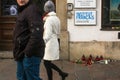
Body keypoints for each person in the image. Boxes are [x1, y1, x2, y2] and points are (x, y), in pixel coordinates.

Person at [13, 0, 45, 80]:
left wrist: (27, 53)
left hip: (30, 55)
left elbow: (36, 35)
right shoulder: (23, 10)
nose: (21, 0)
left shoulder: (32, 10)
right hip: (21, 54)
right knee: (21, 78)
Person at [43, 0, 68, 80]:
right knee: (47, 63)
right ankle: (62, 73)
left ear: (46, 9)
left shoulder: (49, 20)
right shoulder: (56, 18)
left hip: (49, 43)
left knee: (46, 63)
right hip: (55, 41)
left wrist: (43, 43)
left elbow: (48, 34)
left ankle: (61, 74)